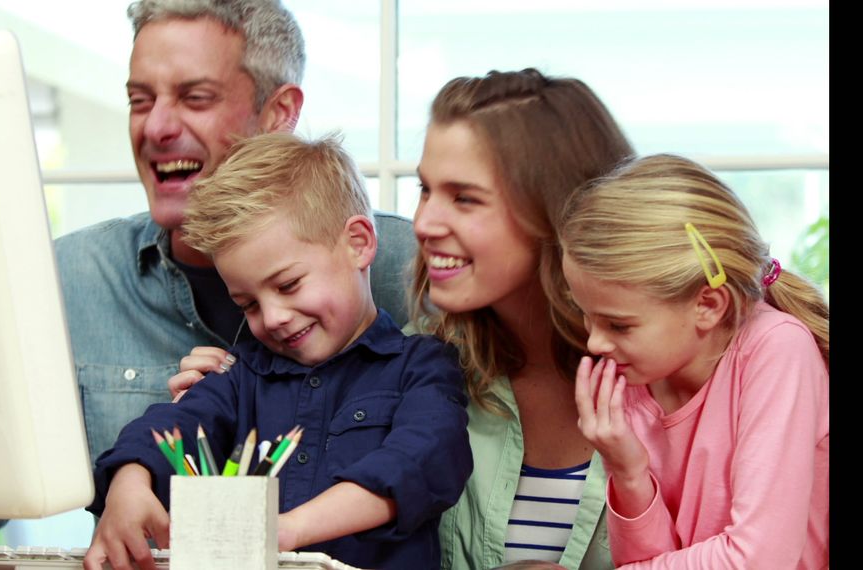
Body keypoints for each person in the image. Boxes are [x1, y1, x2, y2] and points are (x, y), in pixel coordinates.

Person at [0, 2, 416, 568]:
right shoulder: (64, 280)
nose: (157, 127)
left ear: (279, 112)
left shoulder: (404, 269)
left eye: (195, 98)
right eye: (139, 100)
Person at [83, 132, 473, 570]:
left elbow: (421, 461)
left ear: (358, 243)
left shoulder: (421, 365)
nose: (272, 318)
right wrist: (128, 483)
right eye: (247, 304)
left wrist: (285, 530)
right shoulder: (241, 374)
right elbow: (170, 426)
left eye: (288, 285)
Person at [556, 154, 829, 568]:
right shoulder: (636, 376)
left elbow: (759, 559)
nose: (594, 342)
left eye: (617, 324)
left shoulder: (777, 350)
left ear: (708, 304)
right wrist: (628, 471)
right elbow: (656, 559)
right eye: (585, 314)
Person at [412, 68, 634, 569]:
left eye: (464, 198)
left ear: (554, 210)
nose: (424, 223)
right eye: (425, 190)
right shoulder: (416, 371)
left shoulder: (681, 383)